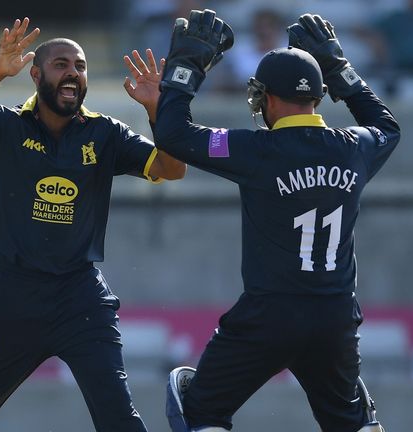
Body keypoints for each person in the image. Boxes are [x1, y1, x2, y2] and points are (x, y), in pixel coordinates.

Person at [0, 17, 186, 431]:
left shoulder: (106, 133)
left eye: (80, 66)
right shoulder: (6, 125)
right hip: (10, 296)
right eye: (61, 64)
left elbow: (172, 170)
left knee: (119, 419)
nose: (73, 73)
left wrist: (158, 110)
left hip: (80, 298)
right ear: (36, 75)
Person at [150, 10, 400, 432]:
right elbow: (387, 128)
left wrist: (185, 70)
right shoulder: (356, 148)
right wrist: (340, 69)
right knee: (351, 424)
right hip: (335, 317)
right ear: (319, 95)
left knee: (198, 410)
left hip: (269, 314)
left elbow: (174, 133)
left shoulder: (254, 150)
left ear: (265, 98)